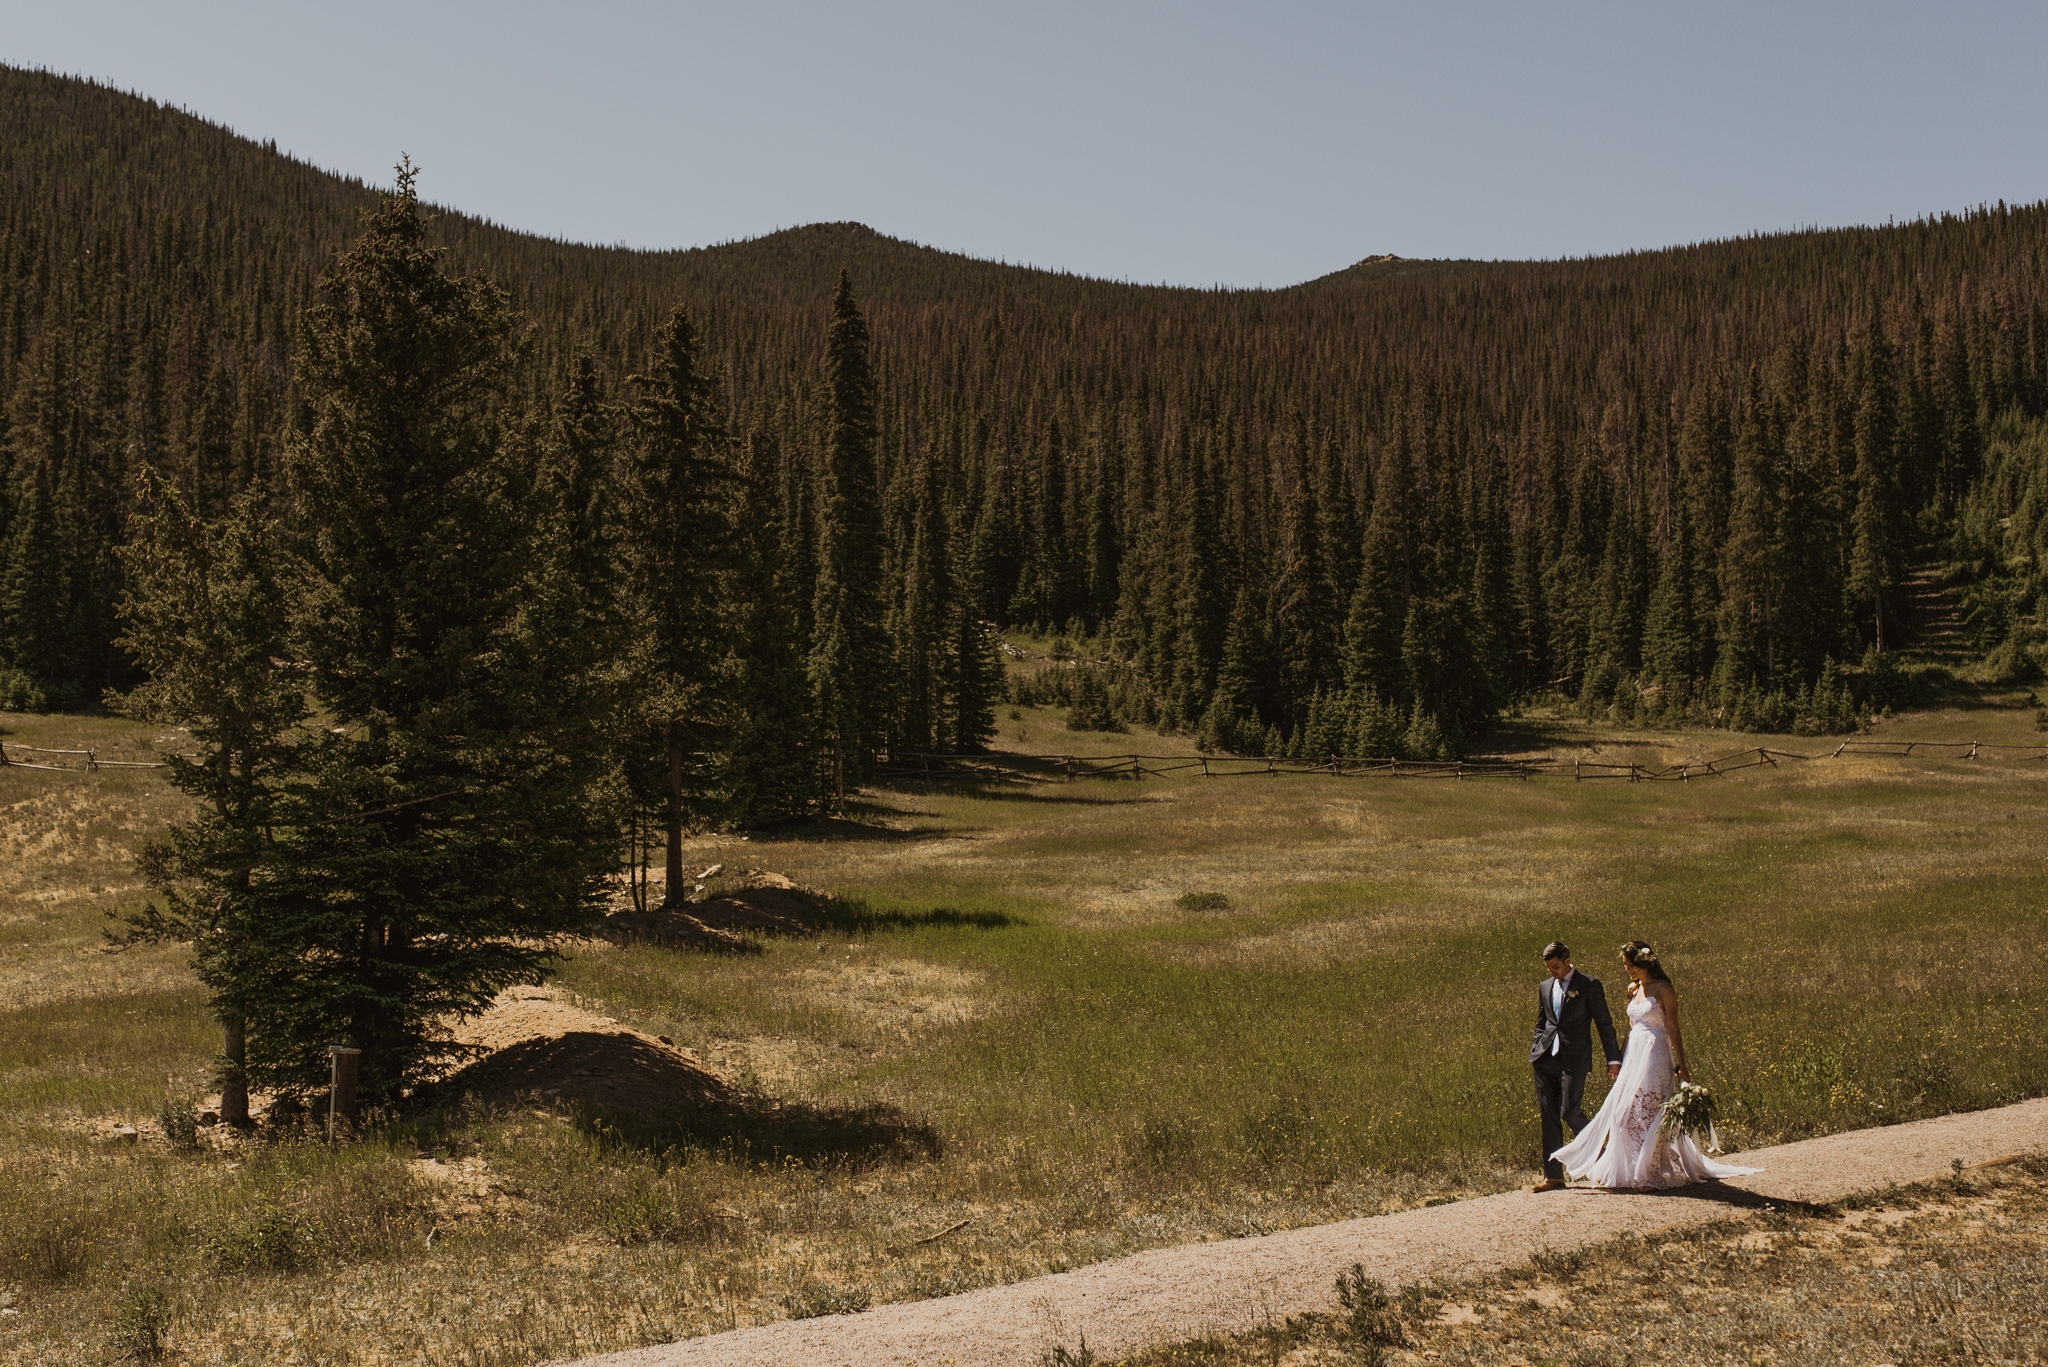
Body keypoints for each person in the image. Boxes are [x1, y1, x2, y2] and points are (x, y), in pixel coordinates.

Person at [1551, 940, 1761, 1190]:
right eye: (1625, 966)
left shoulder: (1664, 990)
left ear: (1643, 963)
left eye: (1630, 965)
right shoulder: (1633, 988)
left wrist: (1683, 1066)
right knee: (1623, 1113)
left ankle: (1649, 1173)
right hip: (1633, 1055)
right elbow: (1631, 1030)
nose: (1627, 970)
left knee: (1648, 1109)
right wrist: (1618, 1058)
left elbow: (1673, 1027)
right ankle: (1630, 1169)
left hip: (1656, 1053)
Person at [1527, 940, 1622, 1193]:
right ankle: (1554, 1176)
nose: (1552, 972)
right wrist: (1537, 1046)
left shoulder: (1589, 985)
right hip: (1545, 1058)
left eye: (1555, 966)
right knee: (1548, 1116)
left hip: (1574, 1058)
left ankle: (1604, 1160)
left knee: (1569, 1111)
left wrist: (1613, 1058)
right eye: (1548, 968)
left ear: (1568, 960)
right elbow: (1542, 1021)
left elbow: (1604, 1023)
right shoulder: (1545, 986)